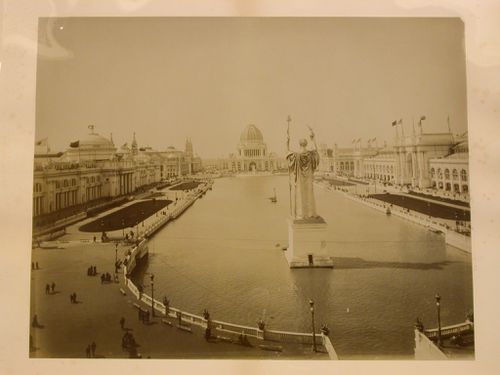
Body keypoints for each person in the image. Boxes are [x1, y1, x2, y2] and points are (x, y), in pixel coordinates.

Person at [286, 125, 320, 220]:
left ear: (299, 144)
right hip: (308, 178)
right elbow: (317, 153)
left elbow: (287, 154)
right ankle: (310, 213)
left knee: (300, 195)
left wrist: (287, 141)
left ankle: (301, 214)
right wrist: (313, 138)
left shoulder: (296, 155)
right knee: (309, 193)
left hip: (300, 178)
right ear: (306, 144)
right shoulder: (311, 155)